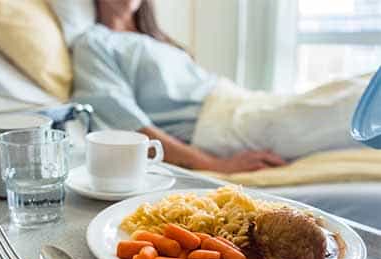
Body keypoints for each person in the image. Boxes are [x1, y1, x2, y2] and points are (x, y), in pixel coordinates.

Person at [71, 0, 365, 173]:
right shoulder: (94, 43)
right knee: (350, 104)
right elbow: (127, 125)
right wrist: (214, 165)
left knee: (350, 87)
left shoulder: (156, 39)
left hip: (242, 102)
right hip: (218, 125)